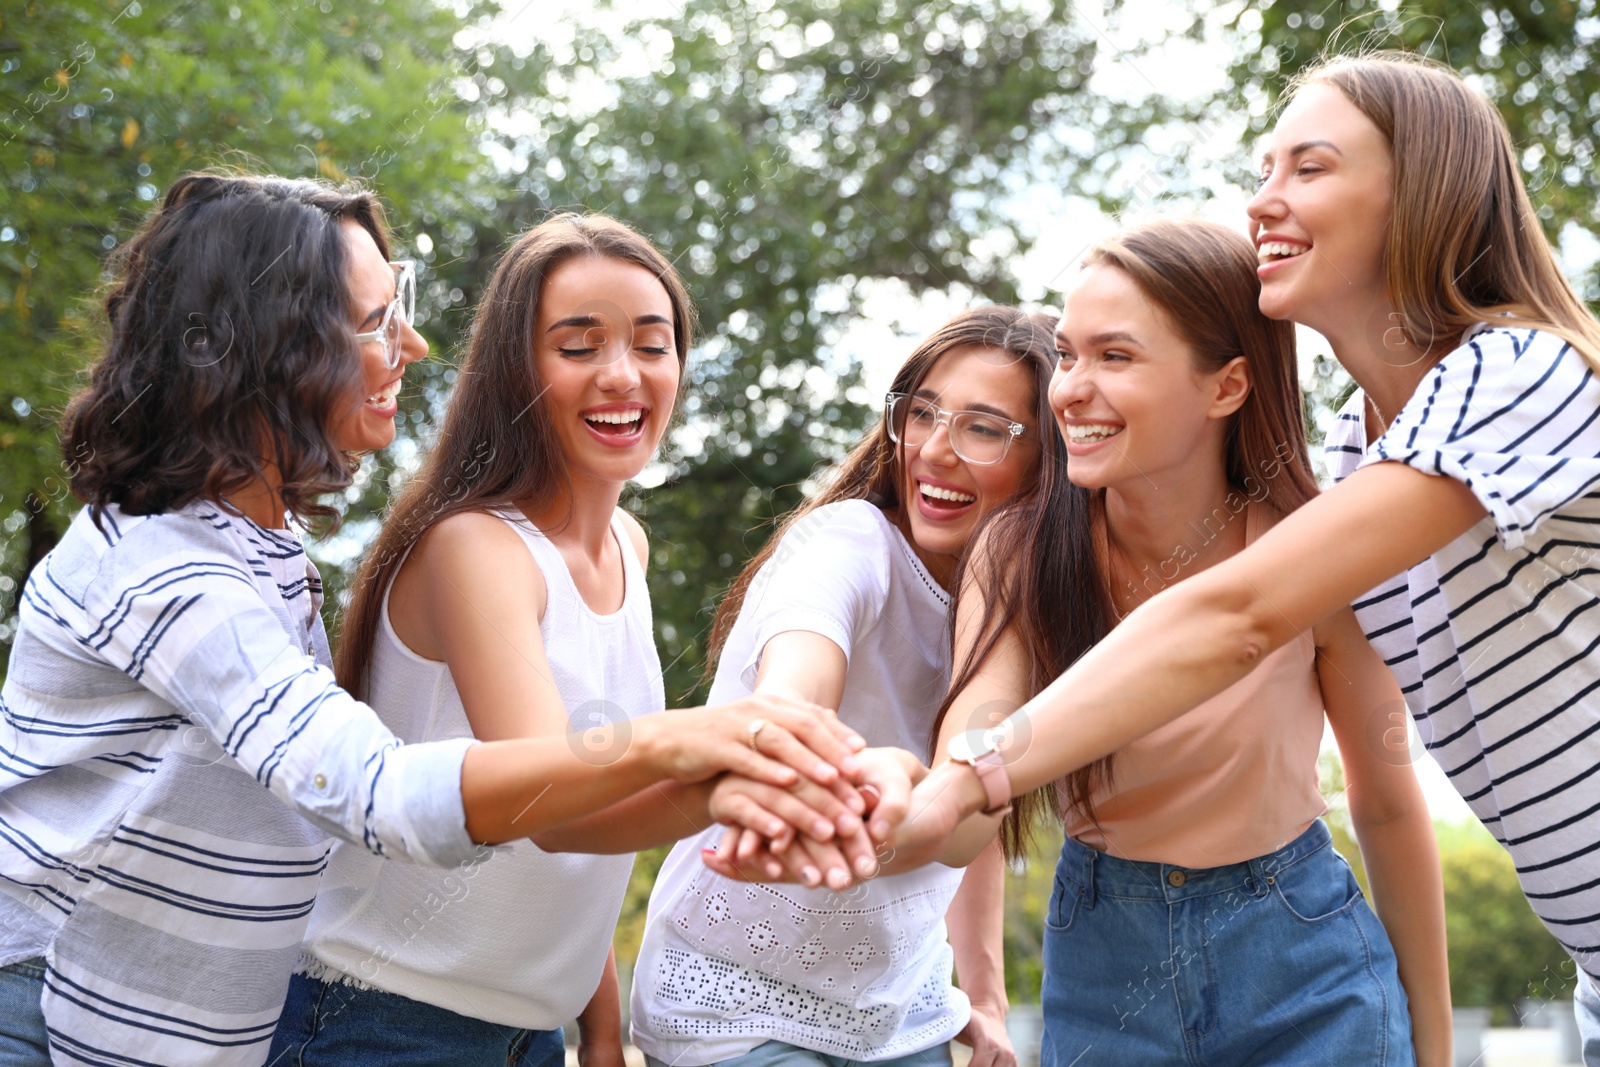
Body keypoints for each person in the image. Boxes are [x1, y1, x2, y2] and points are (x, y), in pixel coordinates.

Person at [0, 174, 864, 1067]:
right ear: (267, 345)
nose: (410, 343)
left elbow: (554, 809)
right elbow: (376, 790)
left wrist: (594, 1001)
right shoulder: (169, 574)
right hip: (54, 1010)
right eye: (374, 322)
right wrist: (693, 746)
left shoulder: (262, 550)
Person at [849, 50, 1600, 1067]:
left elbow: (1234, 618)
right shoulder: (1354, 450)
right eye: (1262, 171)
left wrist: (971, 773)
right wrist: (932, 789)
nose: (1265, 203)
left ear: (1420, 189)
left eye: (1310, 167)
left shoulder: (1517, 371)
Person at [270, 212, 867, 1067]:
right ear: (518, 370)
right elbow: (547, 800)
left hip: (530, 1033)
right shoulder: (474, 547)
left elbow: (581, 843)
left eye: (652, 345)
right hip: (380, 1023)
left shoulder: (629, 544)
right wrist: (737, 770)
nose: (622, 375)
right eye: (578, 346)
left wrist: (597, 1023)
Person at [630, 307, 1055, 1067]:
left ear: (1046, 459)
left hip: (899, 1010)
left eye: (983, 428)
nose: (932, 449)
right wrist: (801, 752)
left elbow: (982, 791)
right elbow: (795, 691)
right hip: (737, 1000)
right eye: (920, 413)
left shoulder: (1016, 609)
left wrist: (984, 997)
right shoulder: (849, 542)